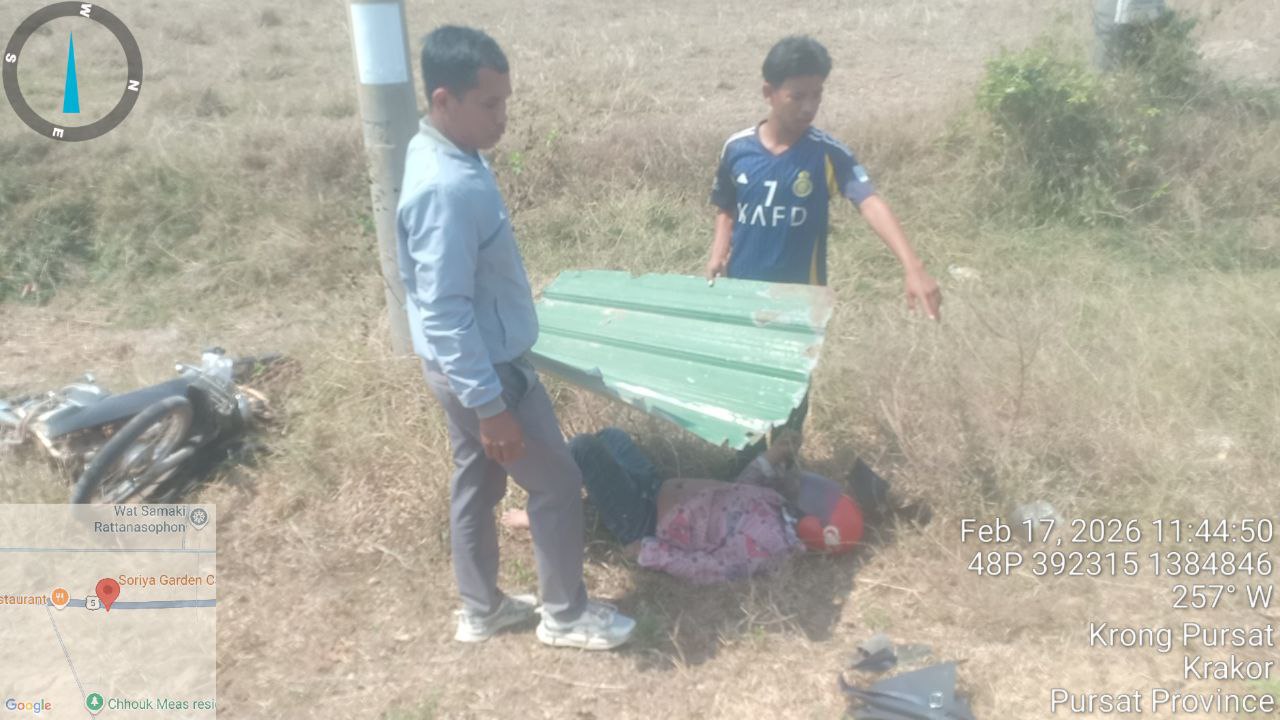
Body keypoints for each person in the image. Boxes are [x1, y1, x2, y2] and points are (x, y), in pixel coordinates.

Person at [396, 25, 634, 650]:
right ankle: (565, 616)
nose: (502, 118)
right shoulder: (445, 187)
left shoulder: (447, 153)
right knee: (555, 483)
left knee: (477, 482)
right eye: (489, 104)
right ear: (444, 100)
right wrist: (491, 405)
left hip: (460, 365)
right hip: (486, 370)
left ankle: (481, 609)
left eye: (505, 101)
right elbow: (446, 309)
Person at [704, 36, 942, 457]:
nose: (809, 107)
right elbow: (727, 204)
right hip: (743, 294)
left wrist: (913, 266)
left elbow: (869, 202)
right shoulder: (737, 149)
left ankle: (784, 469)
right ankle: (744, 470)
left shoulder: (827, 154)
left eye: (817, 95)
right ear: (769, 92)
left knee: (792, 393)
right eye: (797, 96)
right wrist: (719, 249)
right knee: (745, 386)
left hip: (801, 300)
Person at [504, 428, 864, 584]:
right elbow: (742, 489)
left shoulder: (769, 545)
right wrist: (773, 456)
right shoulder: (779, 509)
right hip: (656, 487)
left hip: (644, 520)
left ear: (814, 526)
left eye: (818, 497)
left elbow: (711, 569)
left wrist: (648, 551)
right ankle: (584, 502)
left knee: (585, 449)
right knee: (611, 437)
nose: (808, 486)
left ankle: (545, 514)